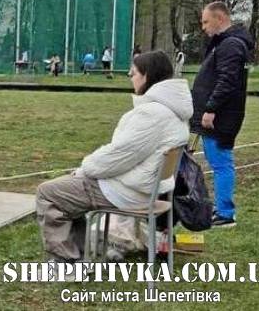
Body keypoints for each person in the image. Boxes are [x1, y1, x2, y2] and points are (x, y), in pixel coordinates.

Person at [35, 51, 192, 262]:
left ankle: (67, 261)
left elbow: (119, 156)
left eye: (133, 73)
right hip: (146, 190)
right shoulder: (175, 112)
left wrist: (85, 169)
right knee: (67, 190)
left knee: (48, 192)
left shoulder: (152, 114)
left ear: (146, 76)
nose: (130, 76)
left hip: (127, 192)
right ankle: (79, 254)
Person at [190, 1, 254, 228]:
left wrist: (211, 109)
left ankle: (225, 213)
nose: (203, 27)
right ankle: (222, 210)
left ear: (220, 18)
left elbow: (227, 81)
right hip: (218, 115)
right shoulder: (224, 44)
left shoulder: (231, 45)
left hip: (221, 117)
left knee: (221, 162)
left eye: (206, 22)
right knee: (218, 160)